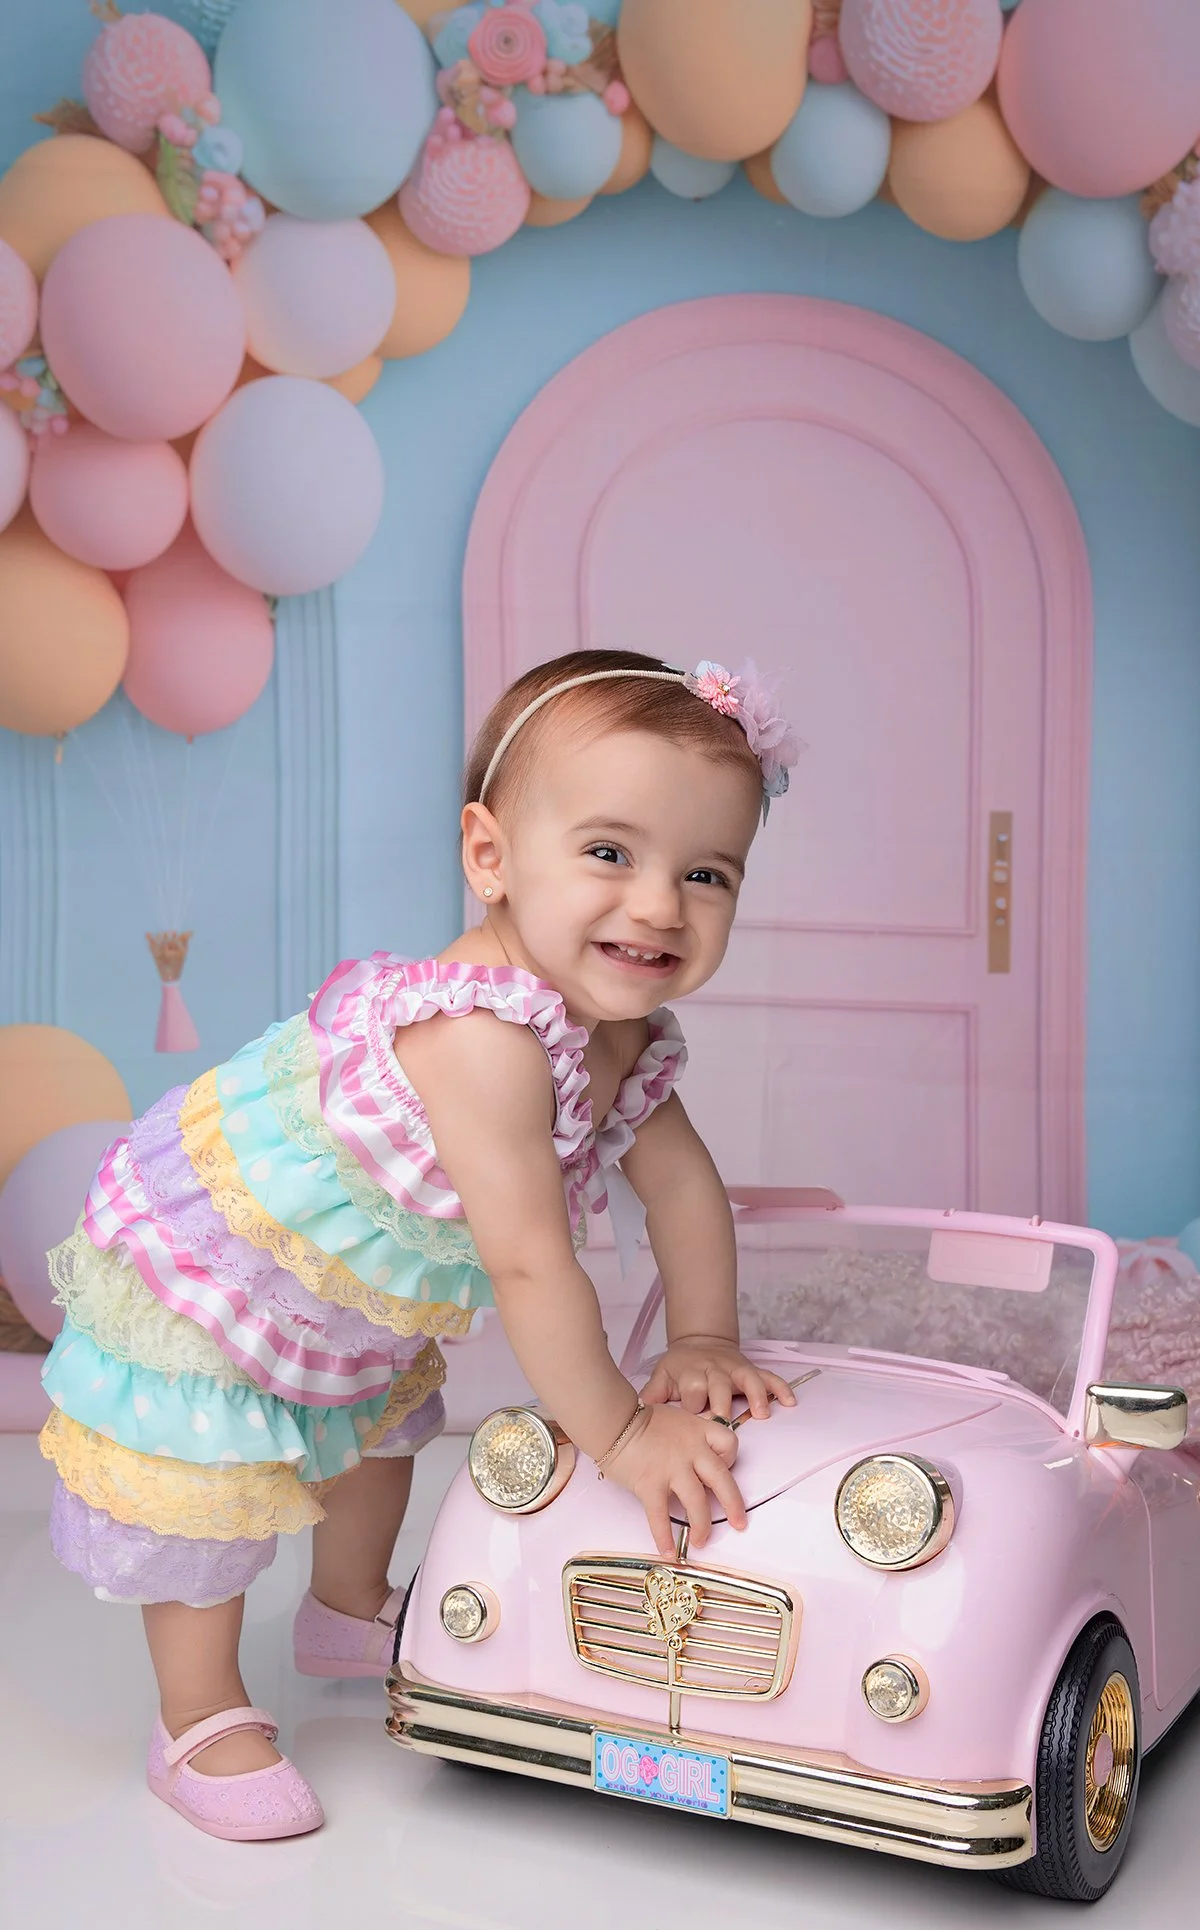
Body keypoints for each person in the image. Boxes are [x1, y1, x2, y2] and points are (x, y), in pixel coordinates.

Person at [38, 648, 803, 1841]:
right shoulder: (484, 1036)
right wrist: (620, 1433)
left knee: (378, 1431)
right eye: (610, 852)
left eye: (707, 873)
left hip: (348, 1293)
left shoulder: (625, 1032)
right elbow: (530, 1263)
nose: (660, 904)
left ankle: (345, 1609)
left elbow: (685, 1187)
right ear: (491, 857)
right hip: (222, 1265)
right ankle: (196, 1715)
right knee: (214, 1485)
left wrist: (703, 1335)